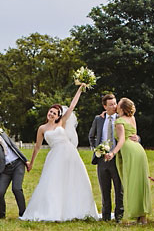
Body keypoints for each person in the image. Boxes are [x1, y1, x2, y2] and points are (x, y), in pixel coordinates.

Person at [21, 85, 98, 221]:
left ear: (58, 116)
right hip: (55, 155)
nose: (51, 114)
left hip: (69, 153)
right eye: (50, 112)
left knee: (73, 180)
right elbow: (37, 147)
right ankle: (53, 211)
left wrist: (80, 89)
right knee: (53, 181)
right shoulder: (42, 128)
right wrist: (31, 163)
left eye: (54, 113)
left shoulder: (62, 123)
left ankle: (76, 210)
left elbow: (72, 106)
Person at [104, 98, 151, 224]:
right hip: (139, 151)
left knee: (131, 182)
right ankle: (142, 216)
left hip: (129, 151)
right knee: (140, 182)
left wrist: (113, 153)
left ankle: (135, 213)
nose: (116, 107)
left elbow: (122, 140)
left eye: (118, 105)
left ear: (122, 108)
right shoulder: (132, 119)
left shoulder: (119, 121)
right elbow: (135, 135)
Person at [88, 93, 123, 222]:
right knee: (105, 189)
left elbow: (131, 133)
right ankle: (106, 217)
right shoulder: (99, 119)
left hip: (118, 158)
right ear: (104, 106)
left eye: (115, 103)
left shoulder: (121, 118)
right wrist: (96, 149)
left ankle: (119, 216)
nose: (114, 106)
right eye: (111, 104)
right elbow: (91, 136)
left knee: (119, 189)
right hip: (102, 159)